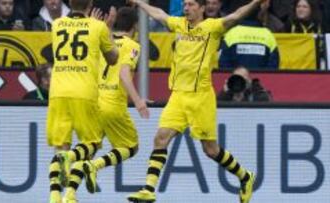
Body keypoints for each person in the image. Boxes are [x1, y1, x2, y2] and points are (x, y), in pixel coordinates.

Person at [127, 0, 265, 202]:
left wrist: (256, 2)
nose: (186, 8)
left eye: (191, 5)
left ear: (202, 8)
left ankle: (245, 177)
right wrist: (140, 2)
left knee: (211, 150)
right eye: (185, 5)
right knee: (160, 138)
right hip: (178, 95)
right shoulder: (179, 24)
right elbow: (158, 14)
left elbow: (236, 15)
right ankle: (148, 189)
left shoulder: (212, 27)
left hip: (201, 96)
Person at [61, 7, 150, 202]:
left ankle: (69, 193)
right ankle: (96, 166)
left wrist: (98, 24)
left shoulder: (99, 39)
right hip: (113, 104)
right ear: (135, 26)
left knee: (89, 148)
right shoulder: (132, 45)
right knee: (130, 146)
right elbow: (124, 73)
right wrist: (138, 101)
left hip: (92, 102)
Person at [46, 0, 118, 202]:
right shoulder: (98, 27)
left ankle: (54, 195)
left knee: (61, 145)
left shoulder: (56, 24)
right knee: (90, 144)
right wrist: (108, 29)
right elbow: (113, 58)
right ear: (91, 4)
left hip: (58, 91)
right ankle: (70, 194)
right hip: (84, 91)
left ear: (69, 4)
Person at [219, 6, 280, 70]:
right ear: (259, 14)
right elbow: (273, 64)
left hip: (237, 79)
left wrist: (235, 78)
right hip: (261, 79)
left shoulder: (231, 33)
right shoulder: (268, 34)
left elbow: (223, 63)